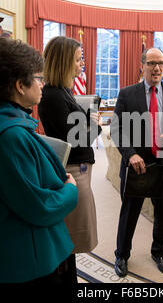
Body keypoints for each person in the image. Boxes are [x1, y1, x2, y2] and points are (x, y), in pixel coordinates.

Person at [0, 38, 79, 283]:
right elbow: (40, 206)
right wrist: (70, 190)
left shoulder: (2, 123)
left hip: (32, 254)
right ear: (20, 86)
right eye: (39, 78)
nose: (43, 85)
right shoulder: (11, 137)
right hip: (31, 264)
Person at [111, 47, 163, 277]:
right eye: (152, 63)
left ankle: (159, 253)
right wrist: (130, 154)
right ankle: (121, 255)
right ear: (142, 66)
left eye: (161, 63)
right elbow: (117, 130)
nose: (157, 68)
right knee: (129, 214)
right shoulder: (127, 94)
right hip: (137, 165)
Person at [38, 36, 101, 282]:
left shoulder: (63, 91)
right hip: (73, 170)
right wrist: (92, 126)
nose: (82, 64)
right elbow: (73, 140)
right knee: (69, 239)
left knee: (71, 240)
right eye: (78, 59)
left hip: (79, 167)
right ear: (64, 62)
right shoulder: (53, 96)